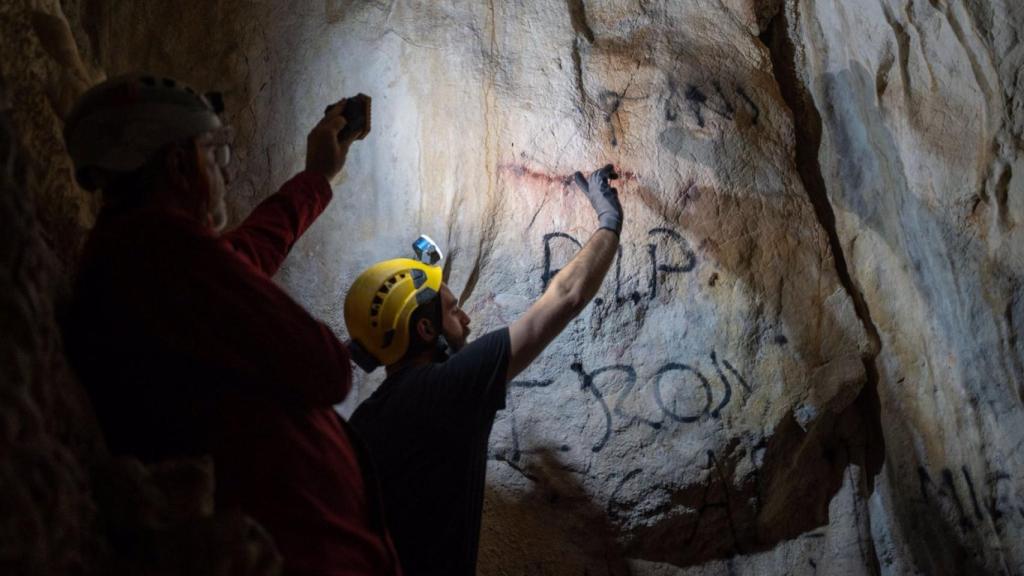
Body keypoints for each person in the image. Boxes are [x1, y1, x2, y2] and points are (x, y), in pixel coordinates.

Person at [62, 74, 401, 576]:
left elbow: (246, 253)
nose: (222, 171)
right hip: (298, 547)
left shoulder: (141, 258)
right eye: (211, 154)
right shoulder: (158, 249)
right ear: (179, 164)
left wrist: (316, 177)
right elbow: (327, 365)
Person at [344, 165, 624, 575]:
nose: (467, 319)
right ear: (425, 329)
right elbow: (566, 295)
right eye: (453, 310)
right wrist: (609, 222)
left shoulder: (365, 419)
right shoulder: (447, 388)